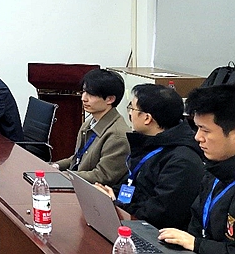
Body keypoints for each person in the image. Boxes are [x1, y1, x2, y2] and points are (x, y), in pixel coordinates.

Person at [95, 84, 205, 229]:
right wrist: (109, 194)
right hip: (133, 221)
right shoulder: (149, 143)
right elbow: (134, 187)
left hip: (155, 233)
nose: (130, 114)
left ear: (147, 118)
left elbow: (159, 214)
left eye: (132, 108)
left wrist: (117, 204)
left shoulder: (182, 161)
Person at [158, 85, 235, 252]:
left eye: (205, 130)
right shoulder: (215, 170)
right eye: (197, 128)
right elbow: (196, 222)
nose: (198, 137)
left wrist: (196, 244)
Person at [53, 68, 129, 186]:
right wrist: (55, 166)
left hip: (92, 191)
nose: (83, 98)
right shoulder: (89, 123)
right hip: (77, 183)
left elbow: (102, 176)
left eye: (91, 94)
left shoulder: (117, 136)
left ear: (110, 99)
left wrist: (65, 176)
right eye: (84, 92)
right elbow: (78, 158)